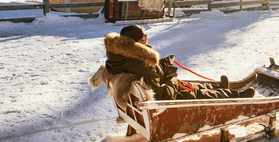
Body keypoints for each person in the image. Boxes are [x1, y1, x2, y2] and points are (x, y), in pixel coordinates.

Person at [103, 24, 255, 100]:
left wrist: (163, 64)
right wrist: (172, 81)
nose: (147, 38)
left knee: (192, 85)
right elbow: (160, 93)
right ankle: (237, 96)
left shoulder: (126, 58)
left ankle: (220, 86)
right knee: (199, 94)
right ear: (138, 42)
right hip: (169, 101)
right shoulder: (139, 62)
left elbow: (150, 73)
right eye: (145, 36)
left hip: (164, 87)